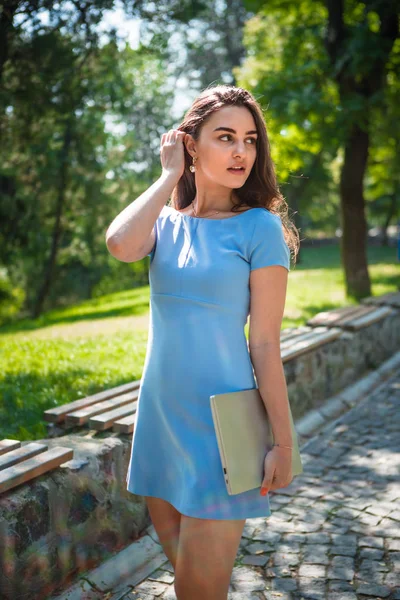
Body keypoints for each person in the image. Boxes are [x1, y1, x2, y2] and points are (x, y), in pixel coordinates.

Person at [106, 84, 300, 600]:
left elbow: (263, 345)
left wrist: (282, 443)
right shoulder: (164, 225)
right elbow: (120, 244)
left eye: (250, 140)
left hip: (223, 433)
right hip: (162, 424)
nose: (241, 152)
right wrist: (169, 175)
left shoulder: (260, 228)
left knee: (198, 591)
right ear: (192, 146)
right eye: (225, 137)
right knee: (187, 587)